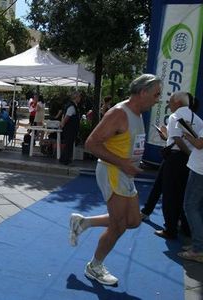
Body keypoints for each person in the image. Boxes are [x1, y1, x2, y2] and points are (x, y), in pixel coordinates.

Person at [69, 74, 162, 286]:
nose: (158, 99)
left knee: (134, 220)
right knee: (119, 224)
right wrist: (123, 163)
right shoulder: (119, 113)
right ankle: (95, 266)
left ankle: (84, 222)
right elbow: (91, 144)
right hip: (112, 171)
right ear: (143, 92)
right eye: (156, 94)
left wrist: (131, 164)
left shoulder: (137, 114)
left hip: (124, 172)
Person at [154, 91, 203, 239]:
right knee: (184, 195)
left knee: (170, 194)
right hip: (190, 162)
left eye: (170, 101)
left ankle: (170, 229)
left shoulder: (175, 117)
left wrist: (187, 152)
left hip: (178, 158)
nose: (168, 104)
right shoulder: (199, 120)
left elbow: (178, 140)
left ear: (177, 103)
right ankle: (187, 229)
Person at [178, 120, 203, 262]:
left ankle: (198, 249)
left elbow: (199, 144)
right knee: (197, 208)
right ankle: (198, 245)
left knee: (190, 206)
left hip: (199, 171)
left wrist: (187, 136)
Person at [59, 91, 81, 165]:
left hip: (70, 128)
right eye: (79, 97)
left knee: (68, 144)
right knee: (69, 145)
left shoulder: (71, 105)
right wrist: (62, 124)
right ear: (76, 97)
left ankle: (64, 159)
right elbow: (67, 117)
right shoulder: (72, 106)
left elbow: (64, 116)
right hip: (70, 128)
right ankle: (66, 160)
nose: (80, 98)